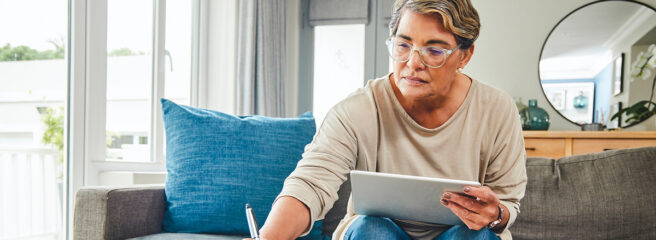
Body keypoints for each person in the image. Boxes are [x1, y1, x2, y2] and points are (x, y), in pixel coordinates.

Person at [258, 0, 527, 239]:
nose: (413, 63)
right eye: (403, 45)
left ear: (465, 56)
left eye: (434, 51)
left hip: (460, 235)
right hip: (375, 234)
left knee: (474, 236)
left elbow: (506, 204)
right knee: (370, 229)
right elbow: (311, 183)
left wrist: (495, 214)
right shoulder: (358, 109)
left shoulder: (496, 109)